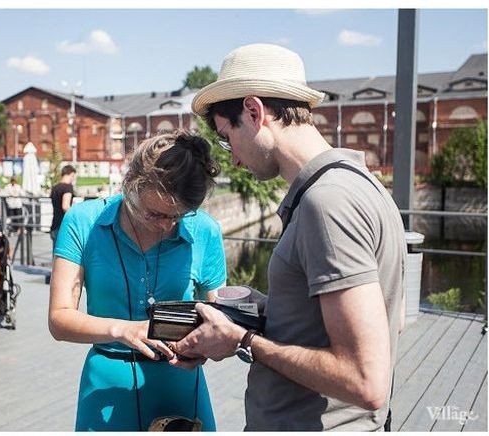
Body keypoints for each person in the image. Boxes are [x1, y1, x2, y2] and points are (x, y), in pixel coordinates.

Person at [173, 43, 407, 431]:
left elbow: (366, 382)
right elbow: (389, 319)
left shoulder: (326, 203)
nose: (232, 158)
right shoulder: (364, 185)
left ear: (254, 112)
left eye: (227, 137)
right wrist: (275, 308)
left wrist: (241, 340)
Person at [48, 131, 226, 431]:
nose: (167, 225)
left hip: (182, 387)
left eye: (179, 215)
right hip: (106, 385)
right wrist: (122, 329)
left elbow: (220, 316)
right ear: (130, 185)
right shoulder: (83, 221)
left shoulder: (205, 230)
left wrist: (207, 346)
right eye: (155, 213)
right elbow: (59, 319)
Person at [48, 164, 76, 248]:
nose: (73, 178)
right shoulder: (67, 188)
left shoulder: (55, 187)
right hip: (63, 226)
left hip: (54, 224)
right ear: (70, 174)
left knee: (55, 255)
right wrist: (75, 216)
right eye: (73, 176)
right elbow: (65, 206)